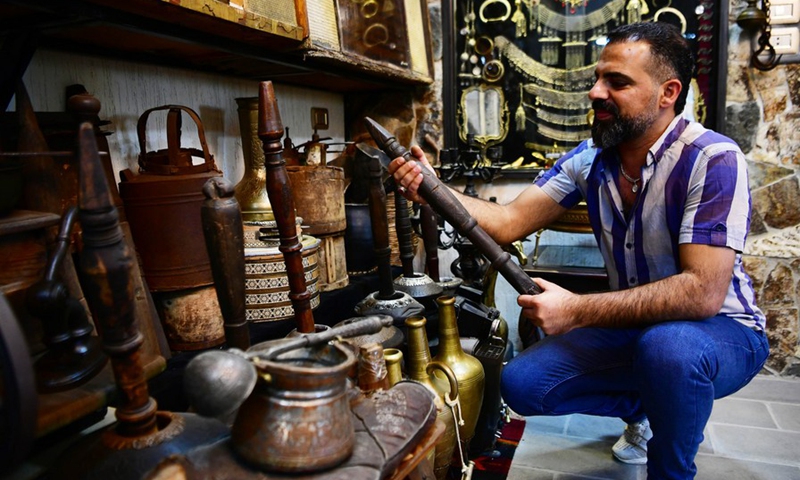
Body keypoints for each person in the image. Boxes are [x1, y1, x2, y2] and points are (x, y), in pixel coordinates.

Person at [388, 22, 769, 480]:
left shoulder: (713, 159)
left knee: (670, 349)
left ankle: (671, 463)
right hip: (639, 329)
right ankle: (659, 408)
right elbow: (509, 222)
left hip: (721, 331)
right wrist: (433, 188)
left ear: (668, 93)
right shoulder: (590, 160)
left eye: (617, 82)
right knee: (523, 383)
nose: (595, 92)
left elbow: (702, 294)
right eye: (597, 78)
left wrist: (576, 310)